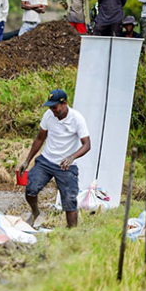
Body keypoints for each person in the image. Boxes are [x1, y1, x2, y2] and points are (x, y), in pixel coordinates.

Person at [17, 89, 91, 228]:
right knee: (31, 189)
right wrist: (27, 160)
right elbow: (40, 138)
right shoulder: (48, 116)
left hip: (66, 165)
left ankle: (72, 233)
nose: (53, 110)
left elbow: (87, 144)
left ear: (64, 104)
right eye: (50, 107)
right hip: (46, 161)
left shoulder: (77, 119)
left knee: (69, 199)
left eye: (55, 107)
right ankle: (35, 212)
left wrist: (72, 157)